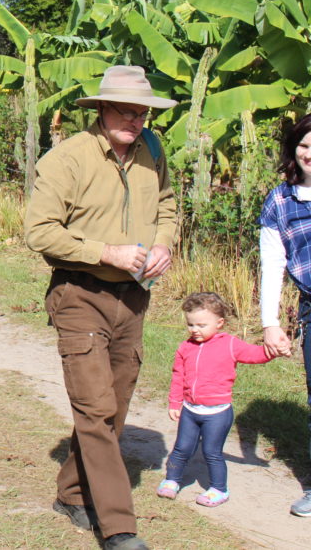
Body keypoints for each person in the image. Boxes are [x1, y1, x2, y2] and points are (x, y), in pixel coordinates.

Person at [23, 65, 179, 550]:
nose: (135, 120)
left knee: (112, 410)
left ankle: (71, 492)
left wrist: (164, 245)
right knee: (95, 409)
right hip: (79, 295)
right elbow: (40, 231)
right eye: (126, 111)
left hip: (133, 298)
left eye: (143, 113)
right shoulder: (67, 159)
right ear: (100, 110)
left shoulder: (153, 151)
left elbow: (169, 206)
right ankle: (118, 528)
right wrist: (106, 251)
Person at [156, 292, 282, 507]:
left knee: (211, 452)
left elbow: (256, 355)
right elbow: (178, 376)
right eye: (190, 324)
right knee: (182, 448)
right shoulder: (185, 348)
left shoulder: (230, 344)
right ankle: (172, 480)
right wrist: (175, 403)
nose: (195, 330)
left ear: (219, 323)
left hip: (217, 413)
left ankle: (219, 489)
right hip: (190, 410)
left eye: (201, 325)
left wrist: (274, 350)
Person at [258, 112, 311, 517]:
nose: (310, 153)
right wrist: (270, 323)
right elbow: (272, 264)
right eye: (305, 145)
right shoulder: (280, 200)